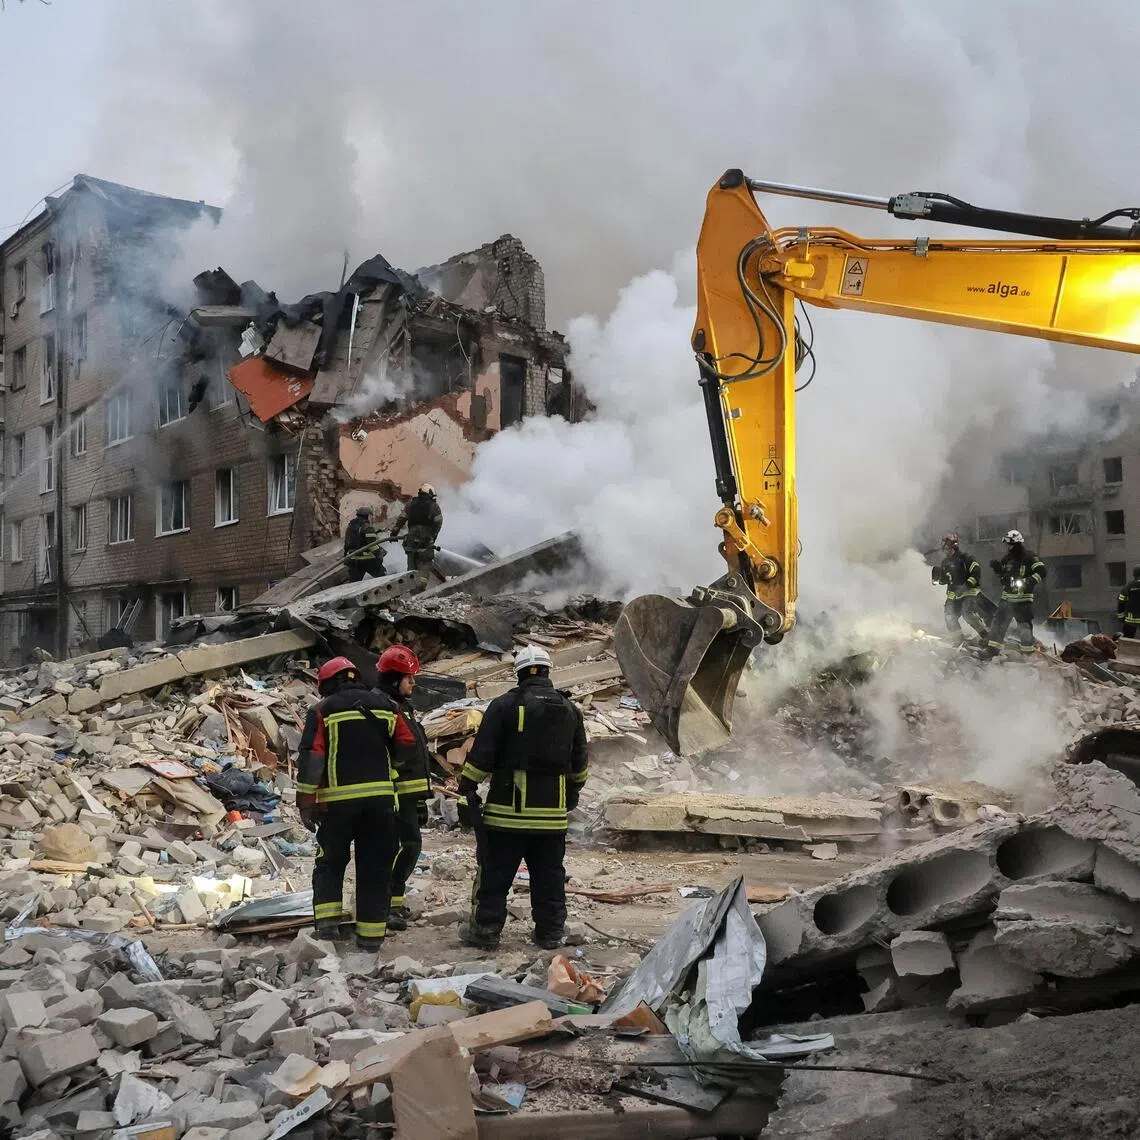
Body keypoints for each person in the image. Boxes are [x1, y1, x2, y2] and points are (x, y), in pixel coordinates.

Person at [457, 645, 589, 950]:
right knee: (549, 877)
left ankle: (486, 931)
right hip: (551, 820)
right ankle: (550, 933)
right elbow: (580, 763)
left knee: (495, 875)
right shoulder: (570, 710)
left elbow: (482, 755)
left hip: (507, 815)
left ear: (519, 674)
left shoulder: (504, 706)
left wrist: (468, 787)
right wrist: (571, 794)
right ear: (547, 671)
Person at [296, 656, 415, 950]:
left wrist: (306, 802)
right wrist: (390, 764)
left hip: (337, 805)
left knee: (331, 862)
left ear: (327, 685)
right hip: (380, 803)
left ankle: (327, 928)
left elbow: (313, 759)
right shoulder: (387, 706)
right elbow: (406, 743)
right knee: (376, 866)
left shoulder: (323, 710)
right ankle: (371, 937)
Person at [374, 644, 432, 932]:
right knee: (401, 848)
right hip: (394, 793)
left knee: (409, 846)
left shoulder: (401, 708)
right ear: (395, 679)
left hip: (407, 794)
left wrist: (420, 798)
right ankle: (384, 906)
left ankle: (393, 903)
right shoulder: (383, 708)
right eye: (409, 678)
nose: (413, 683)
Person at [984, 530, 1046, 659]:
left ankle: (1027, 655)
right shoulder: (1007, 559)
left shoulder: (1029, 557)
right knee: (998, 624)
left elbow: (1042, 572)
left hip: (1023, 599)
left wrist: (1028, 581)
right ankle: (992, 651)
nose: (1008, 547)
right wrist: (998, 569)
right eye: (1007, 545)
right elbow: (1005, 577)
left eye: (1010, 544)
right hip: (1007, 598)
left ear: (1017, 544)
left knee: (1024, 627)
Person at [932, 532, 986, 642]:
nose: (945, 549)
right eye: (944, 547)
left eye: (946, 546)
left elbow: (976, 573)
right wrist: (939, 579)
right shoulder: (945, 562)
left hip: (969, 592)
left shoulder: (966, 558)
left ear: (953, 546)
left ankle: (986, 636)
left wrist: (966, 586)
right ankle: (958, 639)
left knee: (967, 614)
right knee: (949, 616)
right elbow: (946, 580)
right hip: (953, 594)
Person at [390, 484, 443, 573]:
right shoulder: (434, 506)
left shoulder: (410, 504)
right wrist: (433, 537)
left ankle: (411, 579)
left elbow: (401, 519)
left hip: (411, 540)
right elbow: (438, 523)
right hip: (425, 541)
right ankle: (421, 581)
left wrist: (394, 532)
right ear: (429, 494)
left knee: (411, 568)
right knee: (425, 564)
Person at [344, 506, 386, 582]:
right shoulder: (367, 527)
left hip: (354, 560)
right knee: (383, 579)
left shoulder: (350, 527)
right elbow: (372, 546)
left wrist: (345, 555)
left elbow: (347, 543)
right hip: (368, 559)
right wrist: (380, 554)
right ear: (367, 516)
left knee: (353, 584)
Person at [1117, 566, 1140, 638]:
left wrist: (1121, 617)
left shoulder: (1127, 586)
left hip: (1131, 620)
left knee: (1127, 641)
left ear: (1134, 574)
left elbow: (1121, 603)